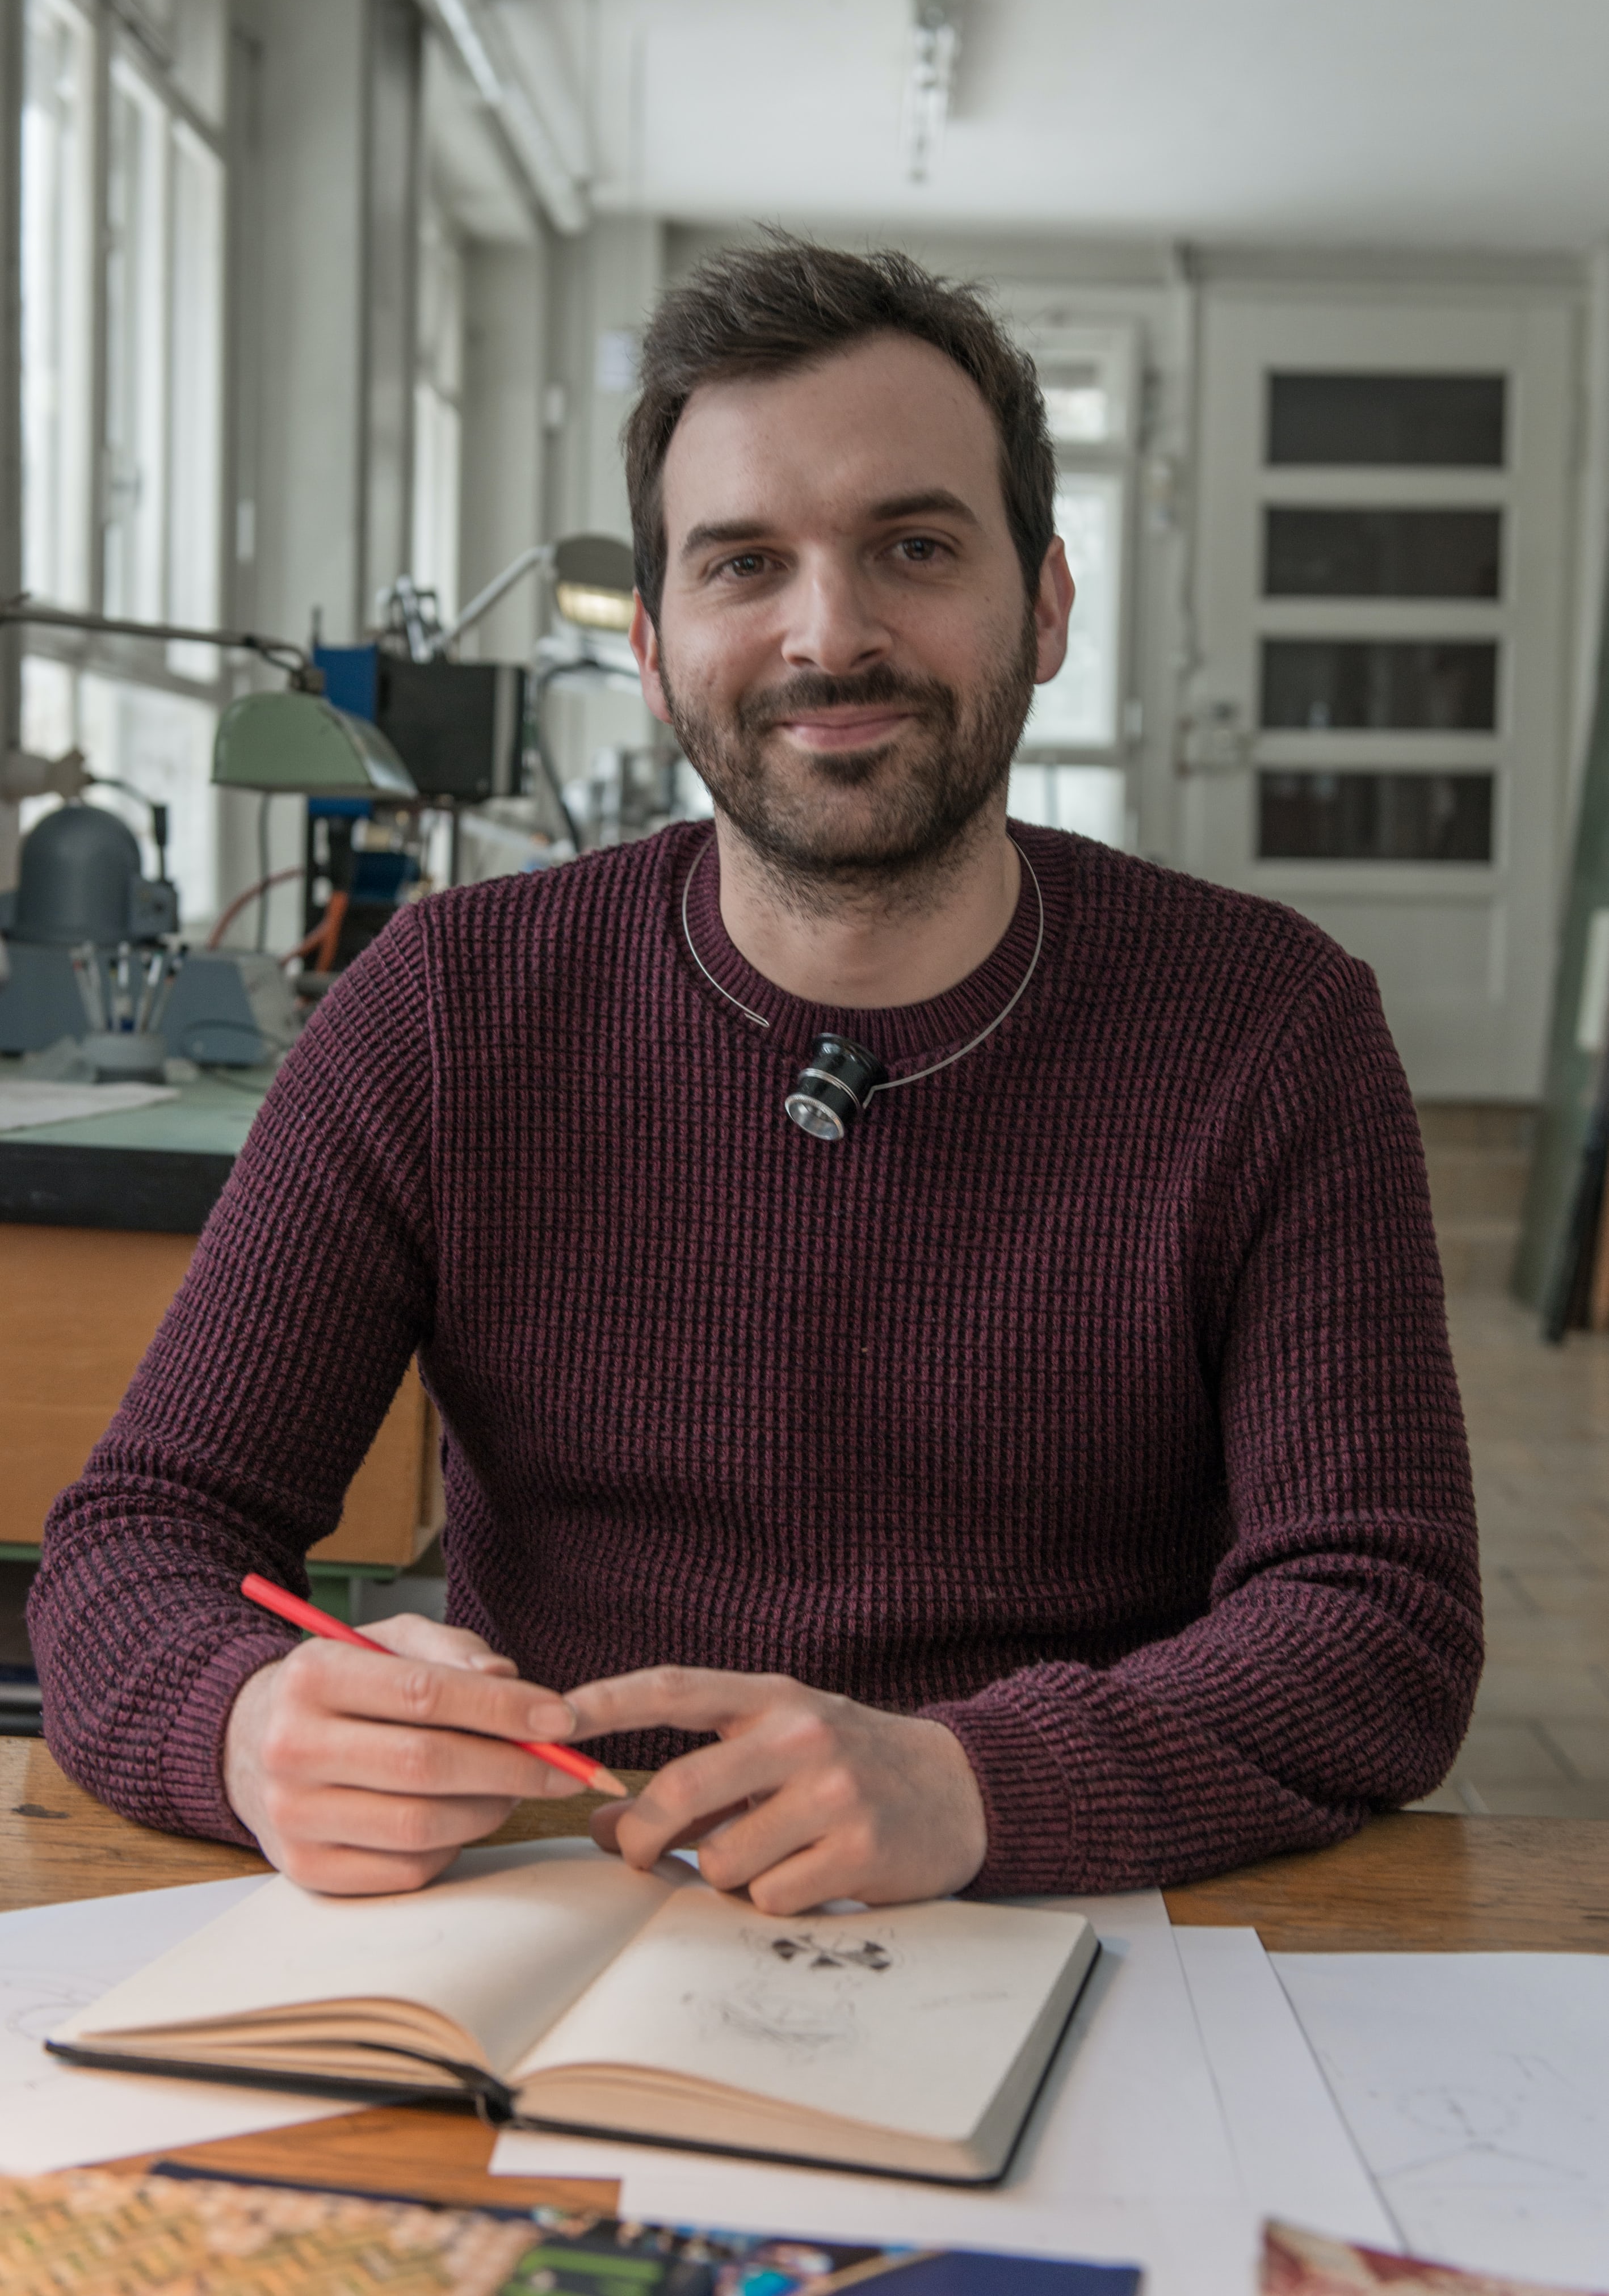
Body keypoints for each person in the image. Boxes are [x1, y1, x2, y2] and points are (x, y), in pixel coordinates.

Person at [28, 238, 1481, 1911]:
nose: (827, 634)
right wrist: (245, 1723)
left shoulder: (1269, 1027)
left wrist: (973, 1785)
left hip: (1072, 1924)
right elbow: (140, 1540)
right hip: (562, 1920)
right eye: (742, 565)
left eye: (913, 546)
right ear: (652, 648)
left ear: (1049, 604)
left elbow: (1380, 1616)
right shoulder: (444, 1006)